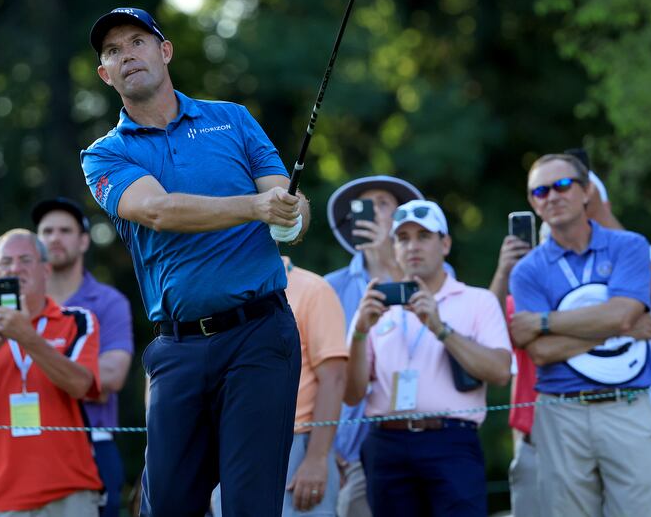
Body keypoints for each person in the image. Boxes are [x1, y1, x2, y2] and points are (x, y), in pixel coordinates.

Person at [80, 7, 310, 516]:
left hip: (259, 335)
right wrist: (256, 207)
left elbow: (283, 199)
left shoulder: (232, 118)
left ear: (164, 51)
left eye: (137, 42)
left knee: (251, 505)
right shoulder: (104, 154)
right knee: (166, 505)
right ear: (105, 75)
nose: (126, 55)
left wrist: (290, 216)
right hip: (179, 348)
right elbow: (159, 210)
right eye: (113, 52)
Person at [501, 158, 651, 515]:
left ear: (586, 191)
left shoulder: (630, 246)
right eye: (540, 191)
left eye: (562, 185)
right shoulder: (526, 270)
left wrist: (544, 321)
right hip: (560, 412)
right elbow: (542, 354)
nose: (552, 197)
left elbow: (623, 314)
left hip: (626, 404)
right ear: (533, 203)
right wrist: (614, 330)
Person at [345, 199, 510, 517]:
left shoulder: (478, 300)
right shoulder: (375, 304)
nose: (412, 246)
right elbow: (352, 394)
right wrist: (360, 333)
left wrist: (440, 328)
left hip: (450, 440)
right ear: (393, 248)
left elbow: (501, 372)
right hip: (386, 442)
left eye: (424, 236)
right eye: (403, 238)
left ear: (445, 244)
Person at [0, 229, 103, 516]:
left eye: (24, 260)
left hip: (68, 493)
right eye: (6, 262)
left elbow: (81, 385)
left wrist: (27, 337)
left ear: (45, 269)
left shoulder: (78, 321)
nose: (15, 269)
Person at [212, 256, 349, 516]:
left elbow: (334, 377)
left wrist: (317, 459)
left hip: (298, 446)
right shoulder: (216, 290)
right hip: (232, 444)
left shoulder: (314, 289)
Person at [322, 175, 424, 517]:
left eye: (384, 204)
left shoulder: (434, 276)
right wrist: (324, 446)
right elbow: (320, 370)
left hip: (421, 441)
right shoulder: (330, 288)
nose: (375, 212)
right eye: (366, 206)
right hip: (349, 451)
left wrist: (391, 259)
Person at [32, 197, 134, 517]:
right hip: (28, 445)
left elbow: (112, 377)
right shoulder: (21, 302)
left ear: (84, 240)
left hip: (93, 444)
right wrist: (78, 375)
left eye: (65, 230)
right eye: (46, 231)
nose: (54, 238)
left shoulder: (108, 301)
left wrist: (33, 366)